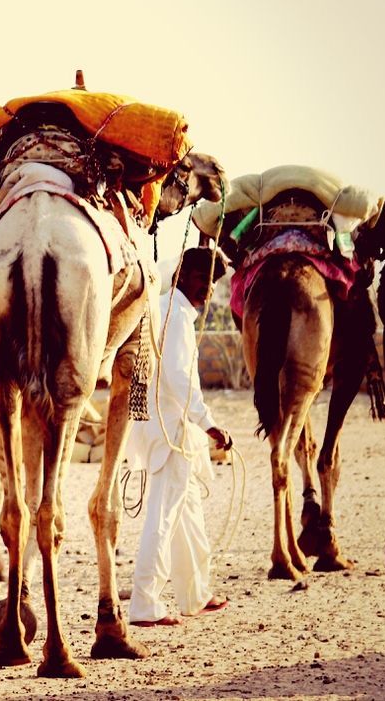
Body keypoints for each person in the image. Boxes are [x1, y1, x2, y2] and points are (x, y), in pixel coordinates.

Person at [125, 246, 232, 627]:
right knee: (164, 516)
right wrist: (208, 423)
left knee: (188, 514)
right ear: (184, 274)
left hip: (163, 426)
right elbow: (178, 376)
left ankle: (196, 593)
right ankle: (144, 603)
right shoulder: (175, 315)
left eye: (213, 281)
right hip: (171, 430)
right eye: (203, 278)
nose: (208, 288)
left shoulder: (168, 309)